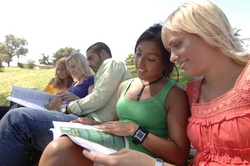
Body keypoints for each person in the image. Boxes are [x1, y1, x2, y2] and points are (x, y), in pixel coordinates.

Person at [77, 0, 250, 166]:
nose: (173, 57)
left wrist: (152, 163)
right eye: (170, 50)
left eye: (178, 44)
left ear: (209, 30)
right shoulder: (195, 91)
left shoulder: (244, 82)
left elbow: (180, 153)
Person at [38, 24, 190, 166]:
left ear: (166, 62)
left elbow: (179, 155)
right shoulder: (125, 86)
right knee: (58, 148)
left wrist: (136, 131)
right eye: (138, 54)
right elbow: (117, 125)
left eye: (150, 59)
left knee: (60, 151)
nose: (140, 63)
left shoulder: (174, 94)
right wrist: (95, 125)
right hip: (111, 147)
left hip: (141, 158)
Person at [0, 42, 132, 166]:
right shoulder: (100, 75)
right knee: (15, 111)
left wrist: (65, 108)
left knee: (16, 119)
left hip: (90, 121)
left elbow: (97, 98)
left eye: (91, 58)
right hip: (88, 119)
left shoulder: (111, 63)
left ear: (103, 54)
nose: (89, 63)